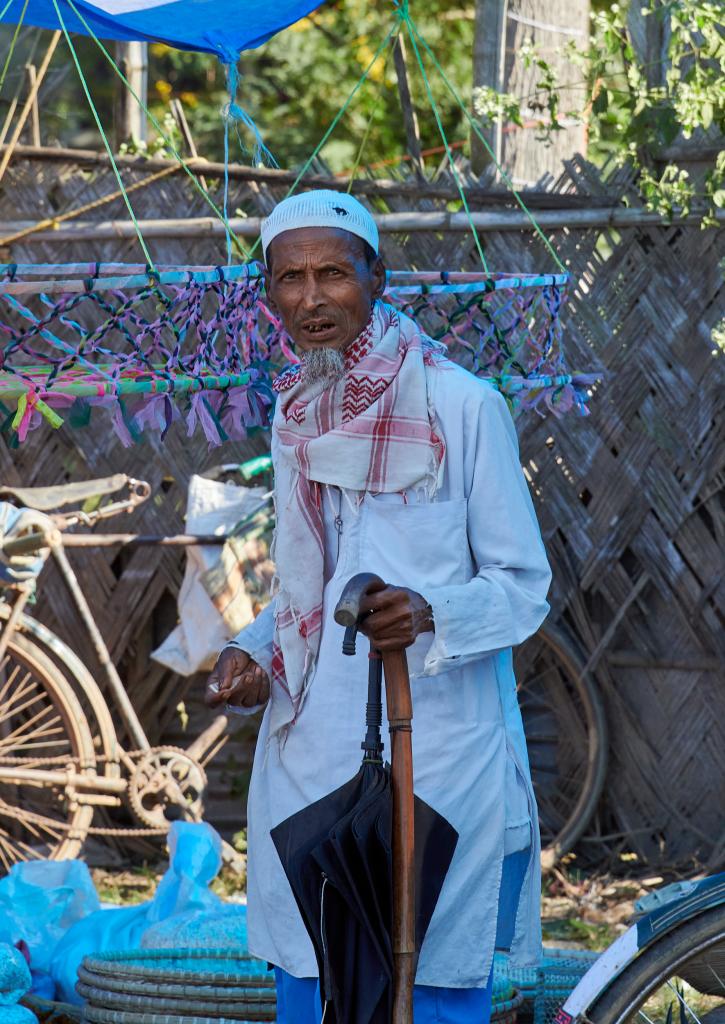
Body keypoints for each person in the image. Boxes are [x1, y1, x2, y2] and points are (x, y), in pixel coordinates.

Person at [205, 189, 551, 1024]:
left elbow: (522, 585)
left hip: (433, 747)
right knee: (313, 970)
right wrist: (254, 648)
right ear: (268, 293)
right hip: (309, 747)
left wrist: (430, 610)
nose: (311, 298)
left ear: (377, 277)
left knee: (424, 972)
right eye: (290, 278)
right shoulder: (295, 418)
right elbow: (307, 593)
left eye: (332, 273)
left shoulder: (463, 408)